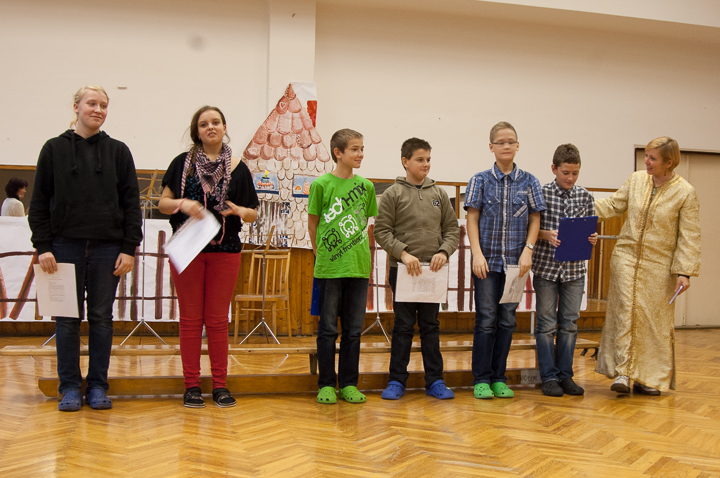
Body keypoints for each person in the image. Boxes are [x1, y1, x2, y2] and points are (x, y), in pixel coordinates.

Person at [28, 86, 142, 412]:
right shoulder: (53, 149)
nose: (98, 110)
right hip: (64, 247)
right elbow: (39, 203)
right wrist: (43, 246)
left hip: (108, 249)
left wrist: (129, 248)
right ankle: (69, 387)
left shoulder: (118, 151)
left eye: (104, 105)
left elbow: (131, 204)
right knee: (66, 320)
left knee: (101, 319)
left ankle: (97, 386)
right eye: (92, 103)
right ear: (76, 106)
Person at [159, 106, 259, 408]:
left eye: (216, 122)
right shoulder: (182, 164)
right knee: (190, 320)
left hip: (225, 252)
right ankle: (191, 386)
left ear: (224, 127)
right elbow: (163, 204)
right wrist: (183, 204)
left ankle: (219, 386)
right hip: (188, 251)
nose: (210, 127)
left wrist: (240, 211)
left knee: (217, 321)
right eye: (204, 124)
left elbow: (253, 214)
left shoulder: (239, 168)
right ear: (197, 131)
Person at [595, 136, 700, 395]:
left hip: (659, 266)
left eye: (653, 158)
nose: (647, 162)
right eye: (646, 156)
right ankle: (623, 372)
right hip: (625, 258)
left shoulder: (685, 192)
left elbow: (689, 235)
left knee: (652, 322)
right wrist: (579, 204)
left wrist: (684, 272)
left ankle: (646, 377)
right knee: (625, 313)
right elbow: (613, 205)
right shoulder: (636, 180)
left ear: (669, 162)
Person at [464, 121, 546, 399]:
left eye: (511, 141)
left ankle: (499, 377)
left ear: (518, 145)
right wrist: (476, 253)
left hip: (516, 264)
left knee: (507, 321)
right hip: (486, 263)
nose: (506, 146)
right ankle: (481, 379)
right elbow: (472, 218)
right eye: (501, 142)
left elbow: (535, 218)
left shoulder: (530, 181)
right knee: (486, 319)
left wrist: (528, 250)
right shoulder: (479, 180)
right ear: (491, 147)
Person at [374, 137, 459, 400]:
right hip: (403, 271)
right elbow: (381, 231)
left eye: (428, 159)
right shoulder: (393, 194)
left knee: (430, 326)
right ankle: (396, 381)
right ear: (405, 161)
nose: (426, 164)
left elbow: (452, 230)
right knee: (403, 327)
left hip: (432, 272)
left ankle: (435, 381)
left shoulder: (439, 194)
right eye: (420, 159)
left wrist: (443, 252)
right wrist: (402, 253)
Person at [308, 128, 378, 404]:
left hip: (358, 267)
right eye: (355, 149)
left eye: (362, 149)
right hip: (330, 268)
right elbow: (313, 224)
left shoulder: (367, 187)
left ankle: (349, 383)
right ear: (338, 153)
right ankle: (326, 384)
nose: (360, 154)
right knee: (327, 328)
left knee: (353, 330)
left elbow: (367, 223)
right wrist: (320, 255)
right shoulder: (321, 185)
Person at [532, 144, 597, 397]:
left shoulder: (585, 196)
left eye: (575, 173)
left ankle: (565, 375)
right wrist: (545, 234)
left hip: (574, 270)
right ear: (554, 169)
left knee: (569, 324)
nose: (570, 178)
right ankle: (548, 376)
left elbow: (590, 229)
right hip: (546, 268)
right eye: (566, 173)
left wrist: (592, 238)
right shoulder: (541, 193)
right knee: (546, 324)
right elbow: (528, 228)